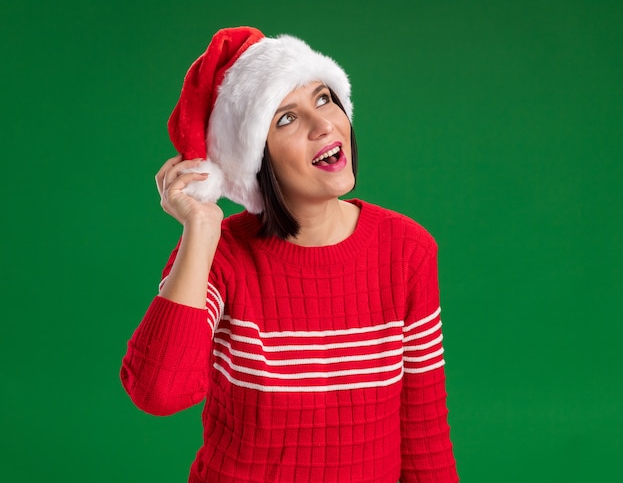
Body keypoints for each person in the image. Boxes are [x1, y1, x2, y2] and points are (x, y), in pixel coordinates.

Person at [121, 26, 459, 483]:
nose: (323, 124)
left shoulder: (407, 251)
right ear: (255, 161)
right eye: (286, 119)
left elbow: (425, 441)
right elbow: (159, 392)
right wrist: (201, 228)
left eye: (324, 99)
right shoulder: (219, 258)